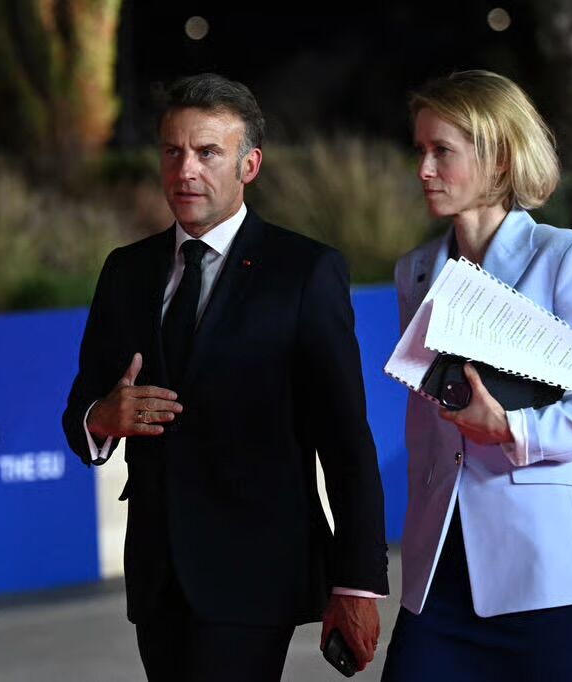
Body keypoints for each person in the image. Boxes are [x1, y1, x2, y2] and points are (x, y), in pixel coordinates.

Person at [62, 73, 389, 681]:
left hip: (256, 574)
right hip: (158, 578)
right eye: (173, 151)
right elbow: (85, 402)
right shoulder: (126, 271)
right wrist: (101, 419)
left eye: (207, 152)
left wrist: (356, 583)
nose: (185, 169)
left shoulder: (304, 272)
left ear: (249, 165)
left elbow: (346, 439)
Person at [382, 69, 572, 681]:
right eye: (420, 150)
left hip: (549, 572)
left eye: (442, 151)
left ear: (499, 158)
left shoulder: (567, 257)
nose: (424, 169)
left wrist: (514, 429)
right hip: (439, 573)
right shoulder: (414, 271)